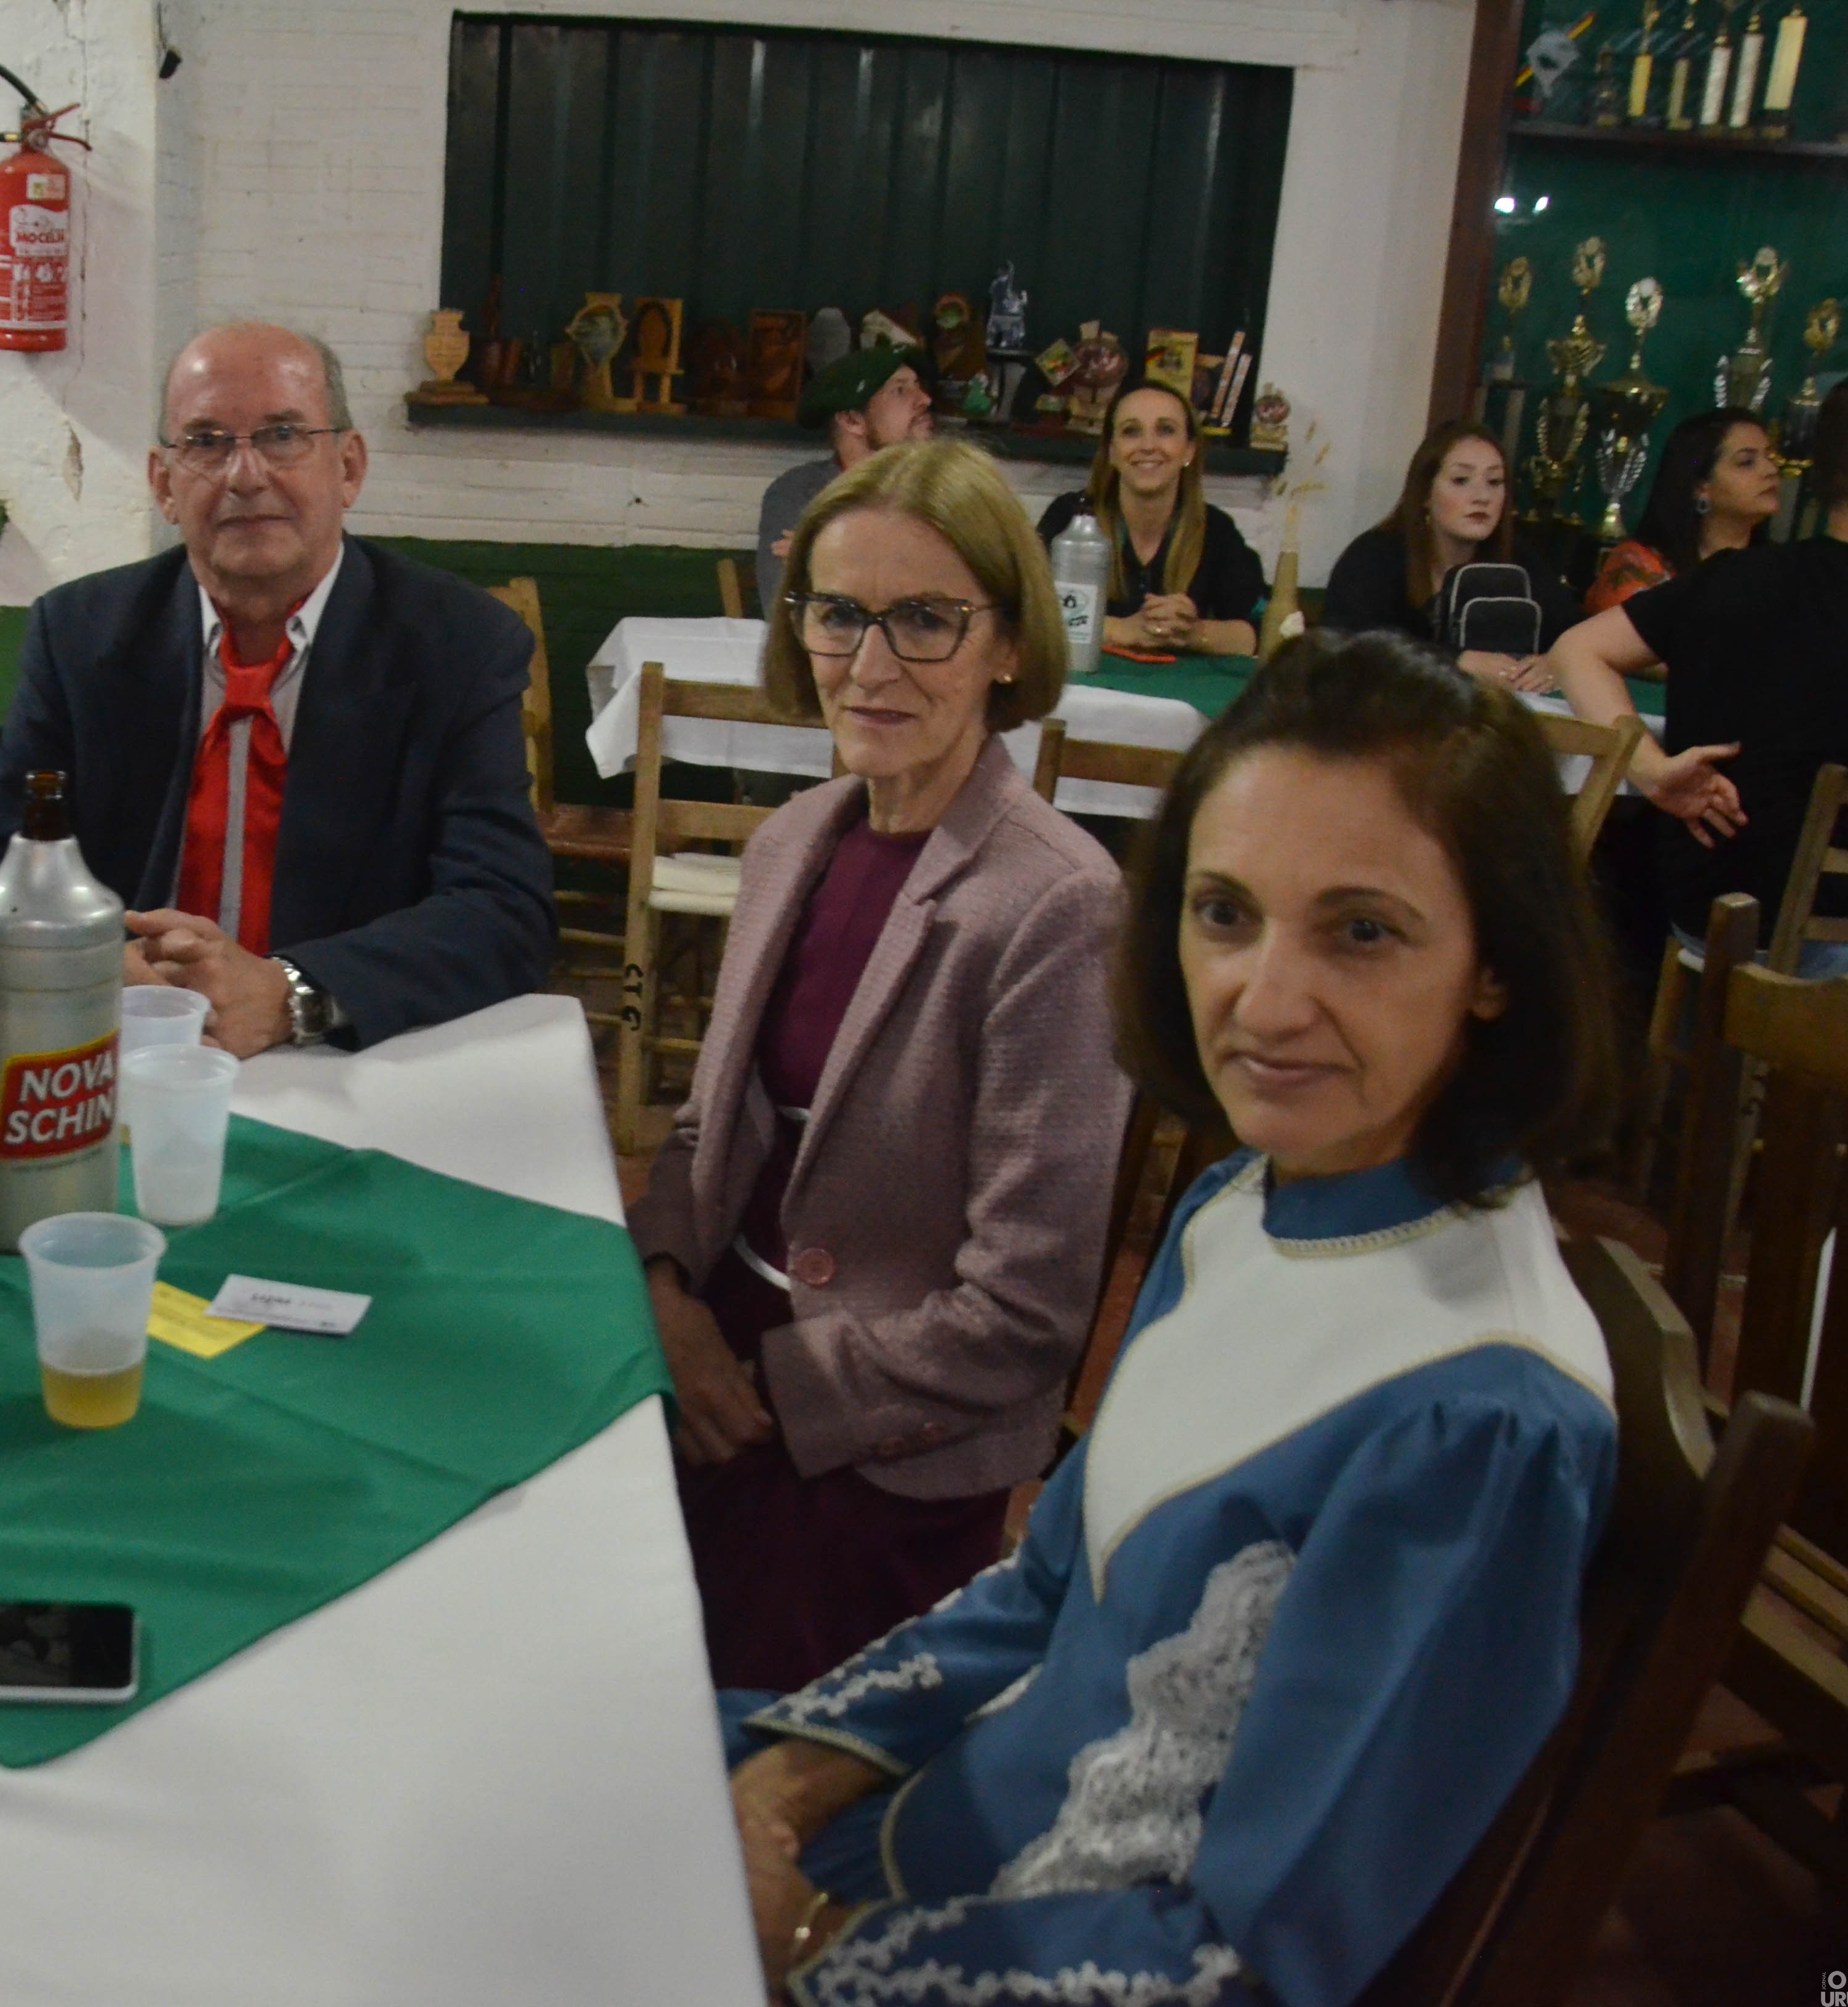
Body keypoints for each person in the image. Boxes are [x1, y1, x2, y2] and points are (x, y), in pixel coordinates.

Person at [721, 633, 1624, 2006]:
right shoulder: (1237, 1203)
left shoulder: (1477, 1420)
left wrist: (804, 1951)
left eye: (1360, 930)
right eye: (1223, 912)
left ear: (1497, 965)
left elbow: (1253, 1958)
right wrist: (780, 1785)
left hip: (1030, 1937)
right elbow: (1042, 1593)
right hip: (945, 1813)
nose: (1262, 1005)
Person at [629, 440, 1126, 1695]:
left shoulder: (1059, 906)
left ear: (1008, 645)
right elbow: (708, 1128)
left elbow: (1024, 1317)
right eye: (839, 615)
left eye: (924, 620)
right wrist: (665, 1292)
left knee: (747, 1767)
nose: (871, 663)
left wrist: (767, 1392)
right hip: (709, 1358)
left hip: (874, 1439)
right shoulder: (798, 834)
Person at [0, 322, 553, 1056]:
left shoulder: (458, 646)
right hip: (129, 1058)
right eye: (206, 443)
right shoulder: (83, 638)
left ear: (347, 468)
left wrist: (292, 994)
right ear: (163, 486)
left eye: (282, 435)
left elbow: (504, 910)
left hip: (348, 1065)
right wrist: (77, 967)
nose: (245, 476)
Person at [1552, 367, 1848, 980]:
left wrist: (1648, 770)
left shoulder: (1729, 576)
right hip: (1830, 953)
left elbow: (1575, 650)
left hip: (1699, 927)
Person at [1320, 421, 1581, 692]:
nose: (1482, 497)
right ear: (1424, 494)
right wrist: (1454, 662)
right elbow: (1349, 647)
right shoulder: (1374, 556)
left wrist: (1557, 661)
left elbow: (1577, 633)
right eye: (1461, 480)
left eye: (1494, 482)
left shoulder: (1519, 560)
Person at [1035, 379, 1266, 657]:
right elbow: (1026, 615)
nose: (1148, 446)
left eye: (1166, 430)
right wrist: (1121, 630)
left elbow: (1258, 633)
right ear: (1111, 450)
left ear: (1189, 450)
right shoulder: (1071, 517)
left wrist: (1193, 633)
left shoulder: (1216, 530)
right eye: (1131, 432)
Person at [755, 342, 940, 617]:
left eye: (918, 385)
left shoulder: (948, 490)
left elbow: (959, 601)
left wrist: (839, 558)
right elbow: (789, 613)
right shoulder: (801, 494)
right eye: (900, 390)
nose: (925, 399)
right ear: (852, 420)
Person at [1583, 407, 1782, 616]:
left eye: (1770, 457)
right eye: (1747, 462)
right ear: (1700, 487)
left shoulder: (1780, 570)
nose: (1771, 470)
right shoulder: (1639, 567)